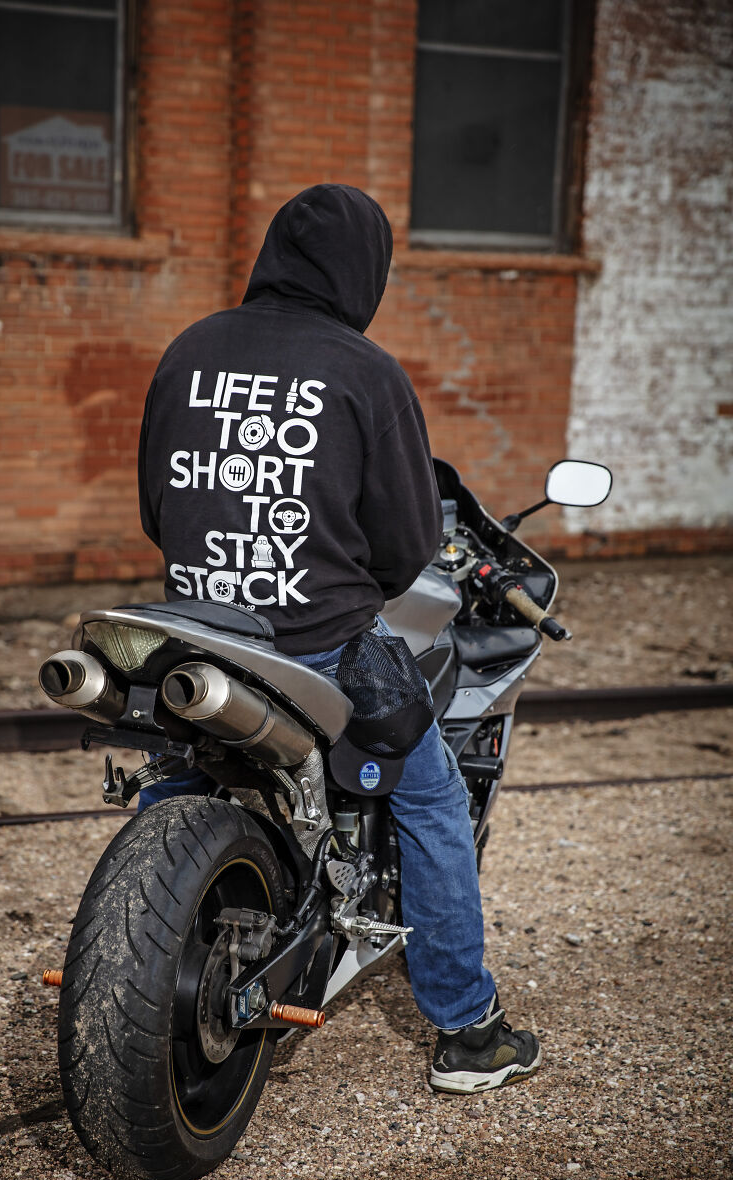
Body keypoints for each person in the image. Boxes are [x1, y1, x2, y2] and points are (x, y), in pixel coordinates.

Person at [137, 183, 541, 1093]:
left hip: (196, 631)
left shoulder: (190, 349)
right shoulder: (366, 372)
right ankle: (467, 1031)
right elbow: (406, 546)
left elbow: (157, 508)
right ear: (365, 271)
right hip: (317, 644)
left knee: (170, 780)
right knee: (431, 797)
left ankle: (150, 940)